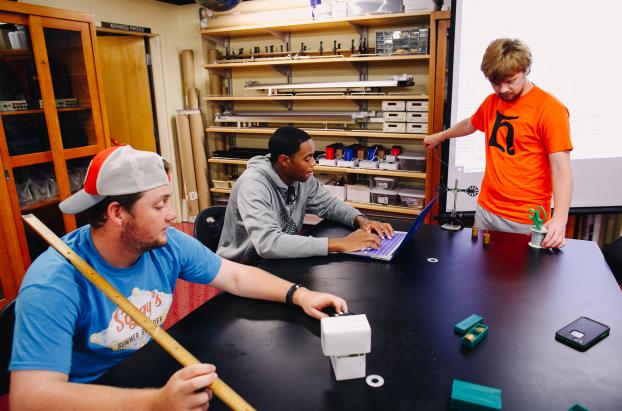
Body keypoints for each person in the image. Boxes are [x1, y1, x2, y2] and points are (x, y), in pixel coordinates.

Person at [9, 145, 348, 410]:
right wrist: (154, 404)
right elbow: (30, 400)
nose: (171, 214)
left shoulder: (165, 243)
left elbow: (234, 276)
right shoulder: (53, 283)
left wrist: (299, 294)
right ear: (117, 213)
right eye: (159, 205)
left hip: (147, 372)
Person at [424, 38, 573, 248]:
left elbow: (561, 167)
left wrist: (560, 218)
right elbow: (471, 123)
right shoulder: (491, 102)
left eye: (511, 80)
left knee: (519, 280)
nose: (502, 89)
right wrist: (439, 136)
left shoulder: (550, 109)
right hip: (486, 211)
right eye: (495, 83)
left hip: (525, 219)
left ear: (526, 69)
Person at [217, 126, 394, 264]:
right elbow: (268, 244)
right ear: (284, 161)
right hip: (246, 267)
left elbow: (329, 205)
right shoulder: (254, 185)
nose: (313, 164)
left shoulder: (301, 177)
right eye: (307, 159)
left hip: (279, 261)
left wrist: (362, 221)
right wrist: (340, 243)